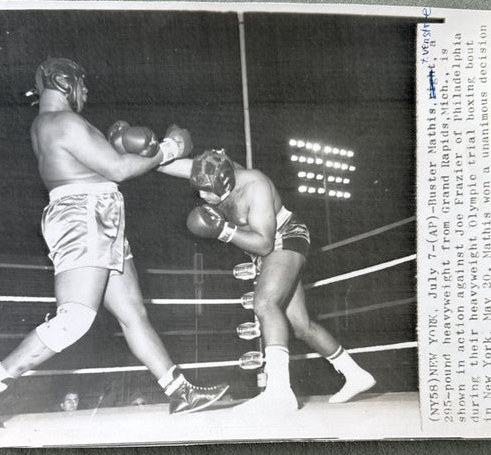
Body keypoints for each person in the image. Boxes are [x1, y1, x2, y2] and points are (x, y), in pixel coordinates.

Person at [0, 58, 228, 429]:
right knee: (76, 319)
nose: (86, 91)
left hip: (99, 213)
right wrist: (168, 148)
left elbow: (108, 165)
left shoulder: (51, 124)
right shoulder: (63, 122)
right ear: (64, 81)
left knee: (133, 314)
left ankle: (179, 392)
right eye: (82, 83)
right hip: (84, 214)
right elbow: (117, 169)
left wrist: (129, 147)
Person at [159, 149, 375, 412]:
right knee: (300, 324)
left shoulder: (256, 186)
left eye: (207, 191)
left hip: (284, 237)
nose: (202, 197)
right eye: (199, 190)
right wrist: (146, 152)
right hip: (264, 249)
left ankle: (279, 391)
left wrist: (223, 230)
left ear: (225, 184)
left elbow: (263, 244)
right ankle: (355, 374)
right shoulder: (208, 171)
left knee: (265, 304)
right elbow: (164, 164)